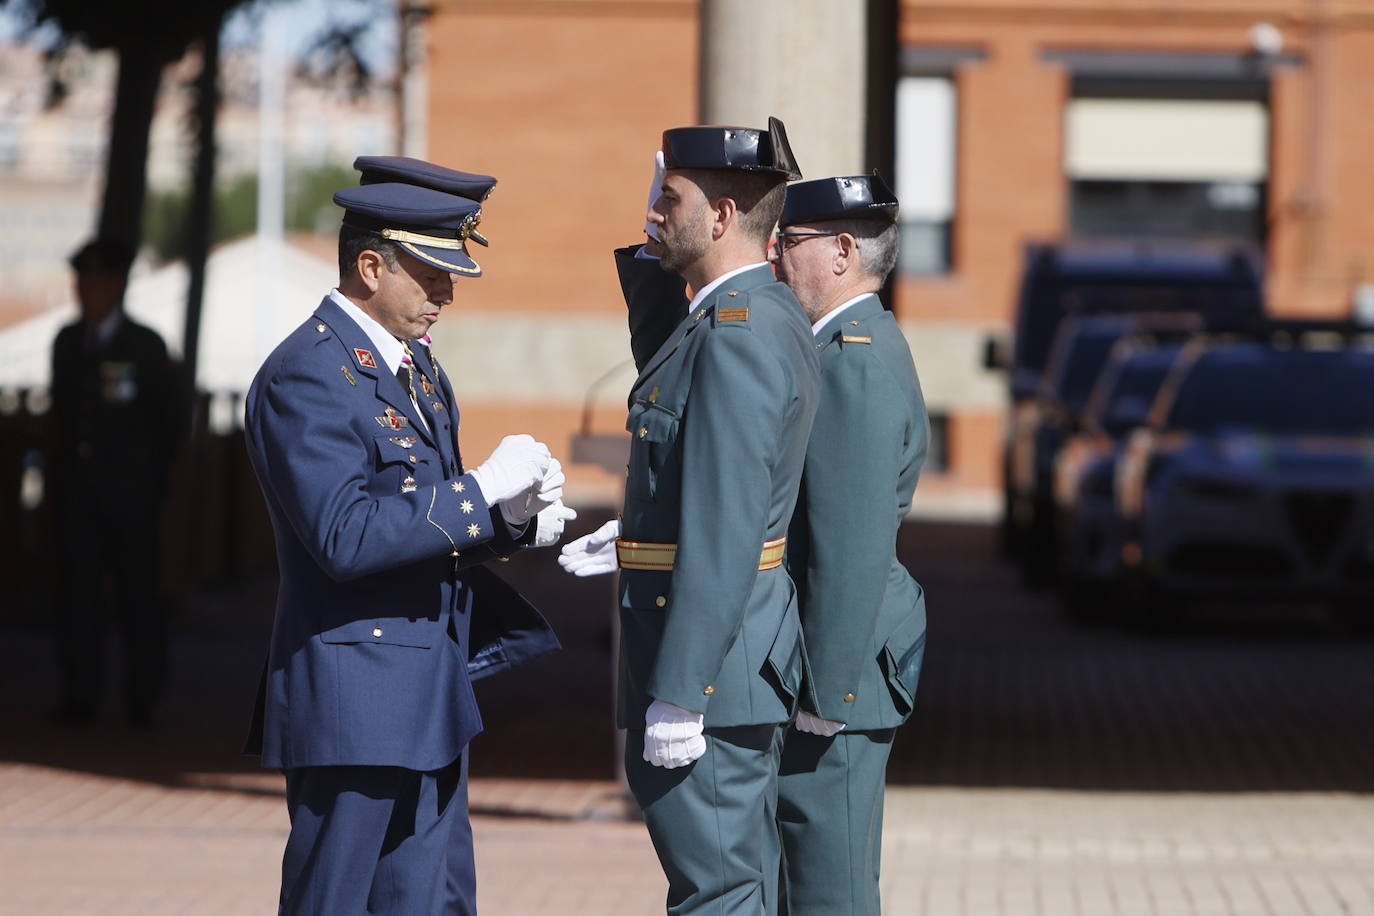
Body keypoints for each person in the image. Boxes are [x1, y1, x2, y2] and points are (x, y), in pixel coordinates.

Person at [242, 162, 575, 916]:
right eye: (431, 274)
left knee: (436, 903)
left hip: (427, 686)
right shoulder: (309, 375)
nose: (448, 294)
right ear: (370, 265)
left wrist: (509, 522)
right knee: (337, 901)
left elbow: (420, 518)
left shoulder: (413, 366)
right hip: (353, 696)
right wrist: (478, 491)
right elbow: (346, 535)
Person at [559, 118, 819, 915]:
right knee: (738, 884)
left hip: (713, 670)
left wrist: (681, 690)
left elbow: (729, 520)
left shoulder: (738, 334)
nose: (654, 214)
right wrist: (640, 539)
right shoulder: (736, 316)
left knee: (719, 894)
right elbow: (682, 442)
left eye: (669, 199)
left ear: (723, 214)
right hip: (730, 664)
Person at [769, 173, 930, 916]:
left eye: (789, 243)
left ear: (840, 251)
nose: (773, 257)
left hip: (841, 671)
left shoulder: (852, 359)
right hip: (837, 663)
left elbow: (850, 539)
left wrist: (825, 692)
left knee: (827, 885)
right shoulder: (835, 346)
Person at [49, 237, 181, 726]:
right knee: (77, 596)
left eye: (96, 282)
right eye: (81, 282)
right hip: (78, 498)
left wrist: (152, 488)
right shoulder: (67, 342)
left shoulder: (144, 346)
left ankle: (142, 697)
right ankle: (79, 693)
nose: (87, 292)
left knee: (137, 597)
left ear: (115, 286)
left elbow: (167, 423)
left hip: (131, 498)